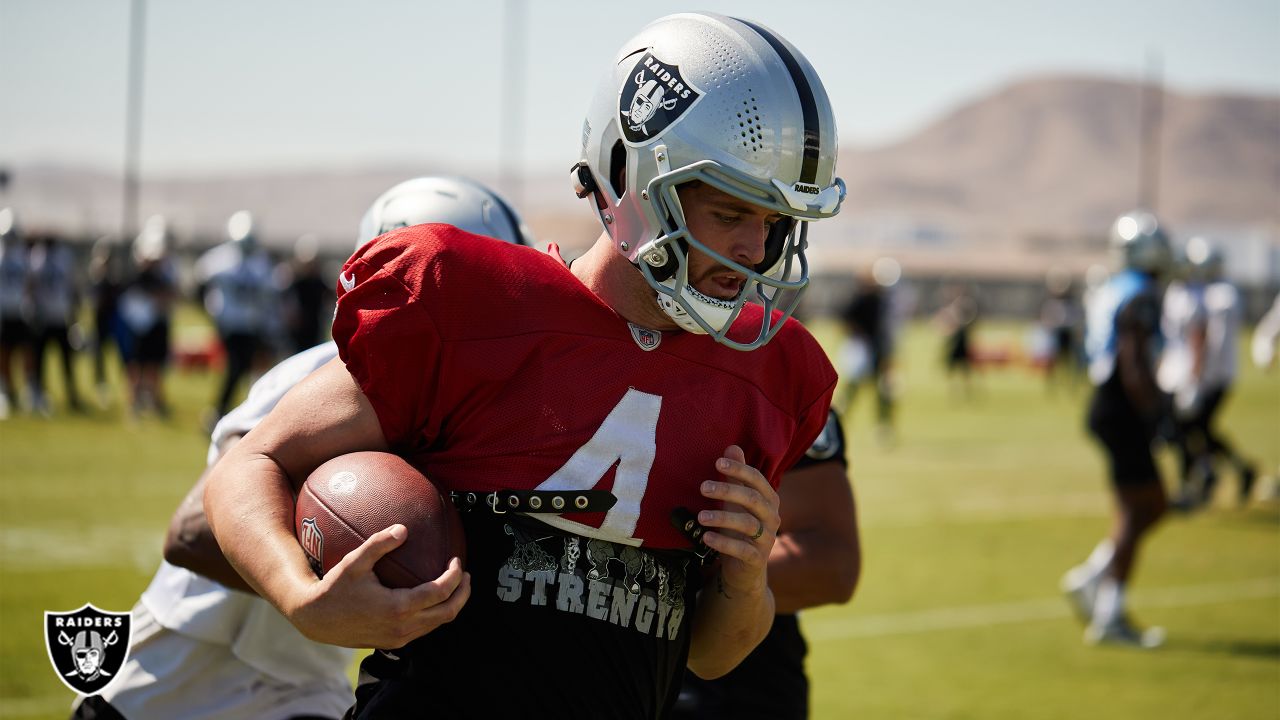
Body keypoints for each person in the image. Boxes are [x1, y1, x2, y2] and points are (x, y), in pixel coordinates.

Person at [204, 13, 844, 718]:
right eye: (730, 213)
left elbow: (710, 654)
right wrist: (300, 596)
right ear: (632, 175)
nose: (756, 249)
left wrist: (745, 579)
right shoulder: (475, 308)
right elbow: (249, 463)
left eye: (776, 221)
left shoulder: (764, 375)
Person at [71, 176, 533, 720]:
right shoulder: (327, 371)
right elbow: (192, 531)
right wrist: (325, 572)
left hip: (304, 683)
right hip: (185, 666)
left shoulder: (482, 403)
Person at [671, 407, 859, 720]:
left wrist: (663, 574)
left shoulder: (777, 385)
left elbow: (834, 564)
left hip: (737, 692)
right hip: (595, 681)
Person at [1062, 209, 1172, 648]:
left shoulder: (1115, 286)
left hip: (1109, 403)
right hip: (1122, 404)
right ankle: (1108, 611)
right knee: (1138, 508)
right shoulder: (1140, 293)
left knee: (1152, 504)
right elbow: (1132, 361)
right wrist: (1155, 412)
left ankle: (1093, 577)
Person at [1159, 237, 1256, 507]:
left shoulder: (1217, 295)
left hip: (1209, 376)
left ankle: (1200, 479)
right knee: (1195, 430)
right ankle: (1229, 471)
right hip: (1183, 375)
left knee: (1193, 428)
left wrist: (1195, 378)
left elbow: (1202, 338)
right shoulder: (1182, 291)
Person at [198, 211, 281, 424]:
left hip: (252, 324)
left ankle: (235, 411)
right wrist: (211, 310)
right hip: (230, 324)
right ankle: (221, 412)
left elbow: (269, 293)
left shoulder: (261, 262)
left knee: (247, 368)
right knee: (237, 367)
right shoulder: (220, 259)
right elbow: (199, 286)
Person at [118, 216, 179, 418]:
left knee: (155, 364)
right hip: (141, 325)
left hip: (158, 323)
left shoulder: (167, 270)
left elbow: (170, 295)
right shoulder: (140, 273)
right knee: (137, 364)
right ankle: (134, 403)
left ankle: (153, 401)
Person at [27, 233, 84, 414]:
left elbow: (71, 287)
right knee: (40, 359)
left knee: (66, 361)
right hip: (44, 318)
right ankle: (39, 395)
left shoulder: (63, 258)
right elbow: (30, 286)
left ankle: (71, 395)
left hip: (60, 317)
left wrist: (74, 315)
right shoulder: (37, 258)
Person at [0, 208, 34, 419]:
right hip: (3, 312)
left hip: (20, 312)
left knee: (26, 352)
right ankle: (5, 390)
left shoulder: (23, 257)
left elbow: (29, 284)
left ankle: (29, 390)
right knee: (4, 354)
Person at [280, 234, 335, 354]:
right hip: (297, 329)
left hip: (314, 326)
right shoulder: (294, 281)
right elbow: (286, 303)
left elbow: (330, 297)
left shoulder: (318, 281)